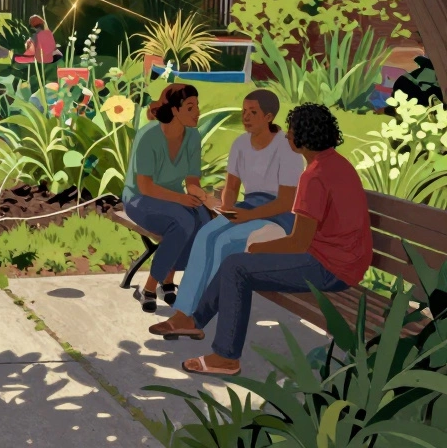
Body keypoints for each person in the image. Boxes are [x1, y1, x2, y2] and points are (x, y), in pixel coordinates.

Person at [153, 103, 372, 377]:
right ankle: (194, 320)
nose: (288, 135)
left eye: (291, 131)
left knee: (238, 267)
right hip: (343, 261)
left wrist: (258, 248)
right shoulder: (336, 163)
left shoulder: (314, 176)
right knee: (236, 262)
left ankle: (226, 357)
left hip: (331, 269)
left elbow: (297, 243)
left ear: (304, 136)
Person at [152, 90, 303, 326]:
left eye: (253, 112)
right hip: (248, 209)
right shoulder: (241, 143)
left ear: (269, 116)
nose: (246, 117)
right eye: (244, 111)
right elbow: (232, 186)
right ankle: (183, 313)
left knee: (226, 242)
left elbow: (286, 202)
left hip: (278, 219)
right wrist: (228, 210)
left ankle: (196, 316)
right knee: (205, 234)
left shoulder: (286, 148)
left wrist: (247, 216)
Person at [122, 83, 208, 312]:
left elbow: (191, 182)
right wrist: (181, 200)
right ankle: (149, 288)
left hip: (172, 197)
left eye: (197, 106)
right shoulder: (148, 136)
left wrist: (203, 197)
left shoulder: (192, 137)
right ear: (175, 110)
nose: (197, 112)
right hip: (139, 199)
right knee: (183, 221)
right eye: (190, 107)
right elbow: (145, 185)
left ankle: (167, 283)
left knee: (205, 221)